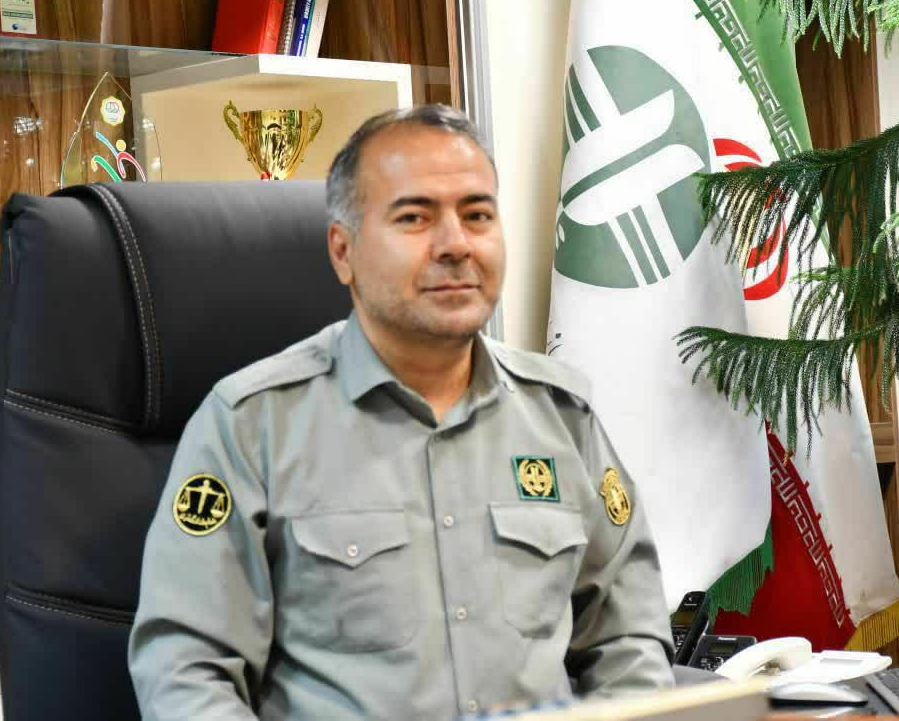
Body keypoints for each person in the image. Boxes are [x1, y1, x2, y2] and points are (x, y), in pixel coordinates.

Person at [128, 104, 675, 719]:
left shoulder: (563, 417)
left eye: (477, 215)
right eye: (415, 217)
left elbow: (628, 640)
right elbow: (186, 671)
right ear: (343, 252)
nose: (456, 245)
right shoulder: (252, 424)